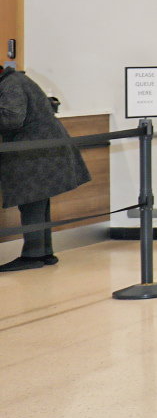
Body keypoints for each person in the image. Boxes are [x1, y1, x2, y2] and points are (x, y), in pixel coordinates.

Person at [0, 65, 90, 270]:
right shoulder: (14, 80)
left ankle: (33, 256)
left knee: (31, 201)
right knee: (38, 203)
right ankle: (43, 253)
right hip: (42, 151)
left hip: (34, 154)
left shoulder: (10, 84)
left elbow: (12, 118)